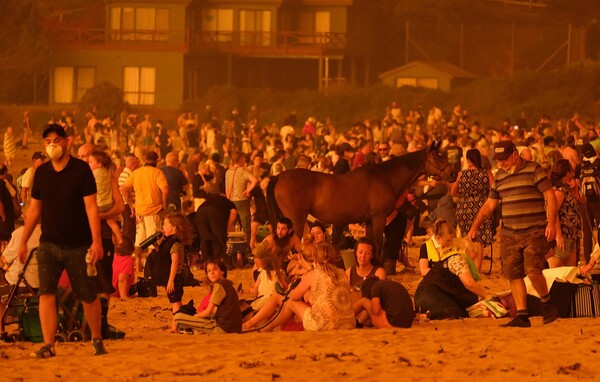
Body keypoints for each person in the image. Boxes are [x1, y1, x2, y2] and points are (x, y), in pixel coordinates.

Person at [17, 123, 107, 358]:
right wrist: (23, 241)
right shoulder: (42, 173)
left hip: (79, 245)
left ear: (67, 142)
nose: (52, 145)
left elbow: (91, 208)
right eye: (47, 142)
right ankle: (49, 344)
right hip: (49, 244)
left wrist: (97, 242)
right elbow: (34, 211)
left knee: (87, 293)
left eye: (56, 140)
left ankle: (97, 338)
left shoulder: (81, 171)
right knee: (46, 294)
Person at [468, 140, 558, 327]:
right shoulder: (499, 177)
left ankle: (547, 302)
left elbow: (549, 195)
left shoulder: (534, 170)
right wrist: (475, 226)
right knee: (514, 275)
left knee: (533, 271)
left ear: (515, 155)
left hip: (534, 230)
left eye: (505, 158)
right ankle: (522, 315)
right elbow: (489, 206)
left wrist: (551, 224)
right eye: (498, 160)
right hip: (509, 233)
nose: (501, 163)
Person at [261, 241, 355, 332]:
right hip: (348, 323)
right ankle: (268, 326)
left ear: (315, 259)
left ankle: (269, 326)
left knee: (291, 302)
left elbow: (293, 296)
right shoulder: (342, 273)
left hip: (324, 325)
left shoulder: (314, 273)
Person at [414, 241, 494, 320]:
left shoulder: (449, 258)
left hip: (424, 297)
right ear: (466, 251)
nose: (475, 256)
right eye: (473, 252)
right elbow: (470, 284)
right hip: (431, 298)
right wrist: (488, 295)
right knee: (456, 312)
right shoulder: (458, 259)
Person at [120, 151, 170, 271]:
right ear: (156, 160)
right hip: (154, 210)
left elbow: (123, 188)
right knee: (153, 241)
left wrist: (132, 204)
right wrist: (164, 205)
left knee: (139, 241)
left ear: (144, 160)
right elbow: (166, 191)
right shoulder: (157, 172)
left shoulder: (136, 173)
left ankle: (138, 268)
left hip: (140, 211)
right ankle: (152, 267)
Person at [451, 148, 495, 272]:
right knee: (478, 239)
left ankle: (468, 267)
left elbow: (453, 192)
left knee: (467, 238)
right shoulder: (486, 173)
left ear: (468, 160)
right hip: (481, 207)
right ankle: (477, 269)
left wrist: (465, 196)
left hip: (464, 208)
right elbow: (494, 189)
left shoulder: (462, 174)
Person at [173, 259, 242, 334]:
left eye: (215, 269)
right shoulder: (227, 284)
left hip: (223, 327)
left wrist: (195, 316)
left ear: (222, 271)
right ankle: (194, 330)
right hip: (233, 327)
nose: (212, 273)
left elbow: (208, 312)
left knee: (177, 317)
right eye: (209, 271)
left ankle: (193, 330)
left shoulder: (219, 285)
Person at [151, 213, 192, 332]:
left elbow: (174, 262)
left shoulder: (175, 243)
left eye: (165, 224)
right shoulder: (167, 242)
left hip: (175, 278)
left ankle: (175, 326)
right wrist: (157, 246)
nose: (163, 227)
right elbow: (164, 256)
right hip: (172, 278)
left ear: (174, 228)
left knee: (175, 302)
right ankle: (180, 323)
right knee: (176, 301)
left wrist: (171, 280)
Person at [0, 223, 41, 317]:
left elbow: (4, 259)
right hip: (44, 284)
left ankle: (1, 327)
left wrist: (3, 250)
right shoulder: (49, 233)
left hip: (21, 284)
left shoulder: (20, 233)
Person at [548, 159, 582, 268]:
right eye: (571, 171)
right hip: (564, 233)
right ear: (567, 173)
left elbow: (579, 199)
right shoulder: (559, 191)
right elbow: (553, 212)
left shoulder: (566, 188)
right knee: (559, 265)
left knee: (570, 268)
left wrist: (575, 188)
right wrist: (559, 235)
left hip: (571, 234)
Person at [89, 151, 123, 246]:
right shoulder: (108, 174)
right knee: (112, 222)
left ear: (99, 164)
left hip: (98, 205)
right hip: (108, 204)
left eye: (90, 162)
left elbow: (120, 206)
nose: (89, 164)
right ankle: (119, 237)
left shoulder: (91, 175)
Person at [575, 143, 600, 263]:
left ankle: (587, 258)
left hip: (585, 201)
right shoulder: (599, 163)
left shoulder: (579, 167)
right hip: (598, 201)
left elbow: (576, 184)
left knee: (587, 230)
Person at [225, 151, 257, 245]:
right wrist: (248, 190)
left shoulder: (228, 172)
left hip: (231, 201)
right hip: (242, 201)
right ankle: (246, 247)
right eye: (243, 160)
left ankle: (232, 243)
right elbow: (254, 180)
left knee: (232, 224)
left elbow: (226, 188)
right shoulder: (243, 171)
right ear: (239, 161)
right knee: (246, 225)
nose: (244, 161)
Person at [195, 193, 237, 263]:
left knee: (205, 239)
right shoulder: (228, 202)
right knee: (220, 238)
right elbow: (233, 213)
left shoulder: (209, 200)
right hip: (215, 212)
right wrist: (228, 227)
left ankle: (207, 262)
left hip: (200, 211)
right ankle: (223, 261)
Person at [20, 152, 46, 217]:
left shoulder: (39, 172)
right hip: (30, 205)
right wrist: (23, 206)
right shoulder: (30, 172)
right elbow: (24, 190)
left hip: (38, 204)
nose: (43, 161)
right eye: (41, 159)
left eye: (44, 159)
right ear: (34, 160)